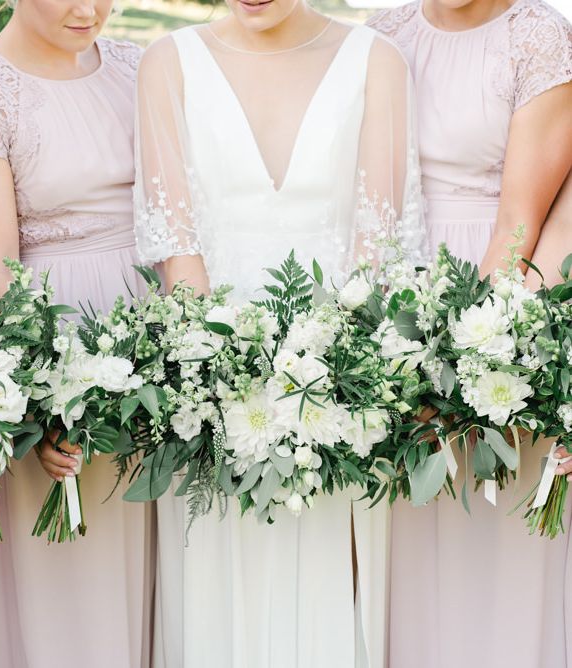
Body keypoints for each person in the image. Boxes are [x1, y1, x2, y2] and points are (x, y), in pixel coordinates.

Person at [133, 2, 425, 665]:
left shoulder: (376, 61)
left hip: (339, 395)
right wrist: (222, 382)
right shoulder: (167, 64)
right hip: (209, 395)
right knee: (213, 599)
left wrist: (321, 382)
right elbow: (177, 251)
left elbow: (376, 252)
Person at [0, 0, 154, 665]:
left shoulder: (137, 69)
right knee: (79, 605)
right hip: (61, 352)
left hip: (159, 347)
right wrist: (48, 400)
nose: (91, 10)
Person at [368, 1, 572, 665]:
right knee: (407, 539)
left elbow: (521, 219)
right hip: (396, 297)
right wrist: (385, 340)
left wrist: (464, 359)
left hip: (501, 298)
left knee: (491, 540)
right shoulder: (382, 35)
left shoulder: (536, 38)